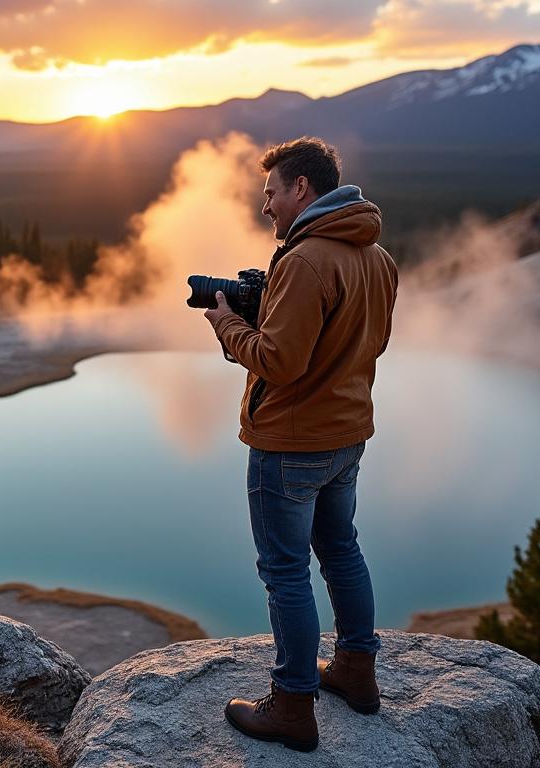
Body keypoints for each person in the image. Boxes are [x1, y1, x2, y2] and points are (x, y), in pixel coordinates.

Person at [203, 136, 398, 752]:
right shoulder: (377, 257)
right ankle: (357, 673)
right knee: (341, 551)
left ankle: (292, 706)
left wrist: (228, 325)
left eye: (271, 193)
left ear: (301, 188)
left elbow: (280, 362)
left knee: (285, 571)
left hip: (290, 443)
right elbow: (369, 343)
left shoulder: (306, 260)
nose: (266, 206)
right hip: (347, 435)